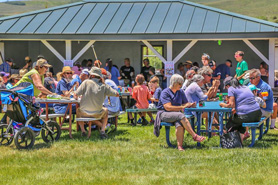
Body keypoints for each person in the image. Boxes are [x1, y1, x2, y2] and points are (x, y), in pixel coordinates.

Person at [154, 74, 205, 151]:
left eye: (182, 83)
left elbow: (185, 103)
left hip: (176, 114)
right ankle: (194, 136)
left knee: (180, 123)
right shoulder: (165, 92)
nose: (181, 85)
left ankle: (180, 146)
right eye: (179, 83)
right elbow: (168, 107)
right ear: (174, 83)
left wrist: (190, 104)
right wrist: (181, 107)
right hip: (164, 113)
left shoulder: (180, 91)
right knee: (181, 116)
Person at [74, 67, 119, 139]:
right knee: (106, 110)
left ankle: (83, 131)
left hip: (84, 113)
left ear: (91, 75)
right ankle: (102, 131)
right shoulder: (104, 86)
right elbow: (116, 94)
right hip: (98, 113)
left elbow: (76, 93)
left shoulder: (85, 82)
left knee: (77, 110)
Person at [220, 77, 262, 142]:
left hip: (247, 115)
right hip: (258, 114)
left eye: (226, 87)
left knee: (232, 121)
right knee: (239, 120)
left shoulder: (231, 88)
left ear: (228, 85)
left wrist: (222, 104)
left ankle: (227, 139)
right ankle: (239, 141)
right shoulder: (246, 87)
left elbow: (231, 105)